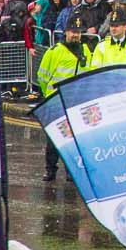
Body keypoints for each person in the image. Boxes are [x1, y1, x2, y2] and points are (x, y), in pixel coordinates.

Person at [36, 22, 89, 181]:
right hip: (56, 101)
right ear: (66, 32)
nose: (75, 35)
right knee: (54, 138)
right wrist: (49, 95)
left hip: (75, 102)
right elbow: (42, 76)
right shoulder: (55, 51)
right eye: (73, 31)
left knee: (73, 139)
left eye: (78, 32)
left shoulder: (85, 50)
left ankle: (70, 171)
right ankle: (50, 170)